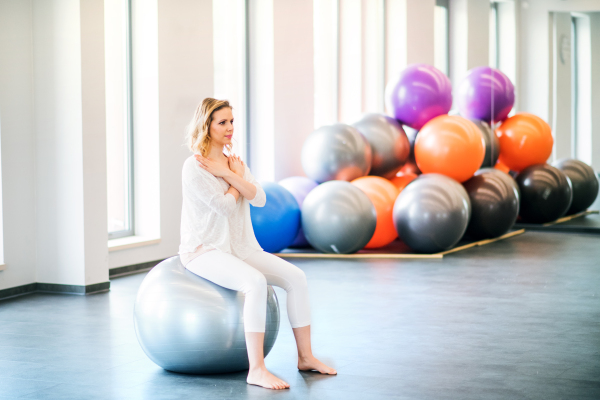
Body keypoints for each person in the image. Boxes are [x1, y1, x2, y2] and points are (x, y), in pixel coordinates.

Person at [179, 98, 337, 390]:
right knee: (255, 282)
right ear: (207, 125)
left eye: (231, 121)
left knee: (296, 277)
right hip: (203, 249)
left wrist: (230, 174)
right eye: (222, 122)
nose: (229, 128)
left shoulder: (234, 163)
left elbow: (260, 197)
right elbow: (225, 206)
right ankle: (257, 369)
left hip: (239, 245)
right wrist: (235, 180)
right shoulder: (195, 167)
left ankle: (305, 357)